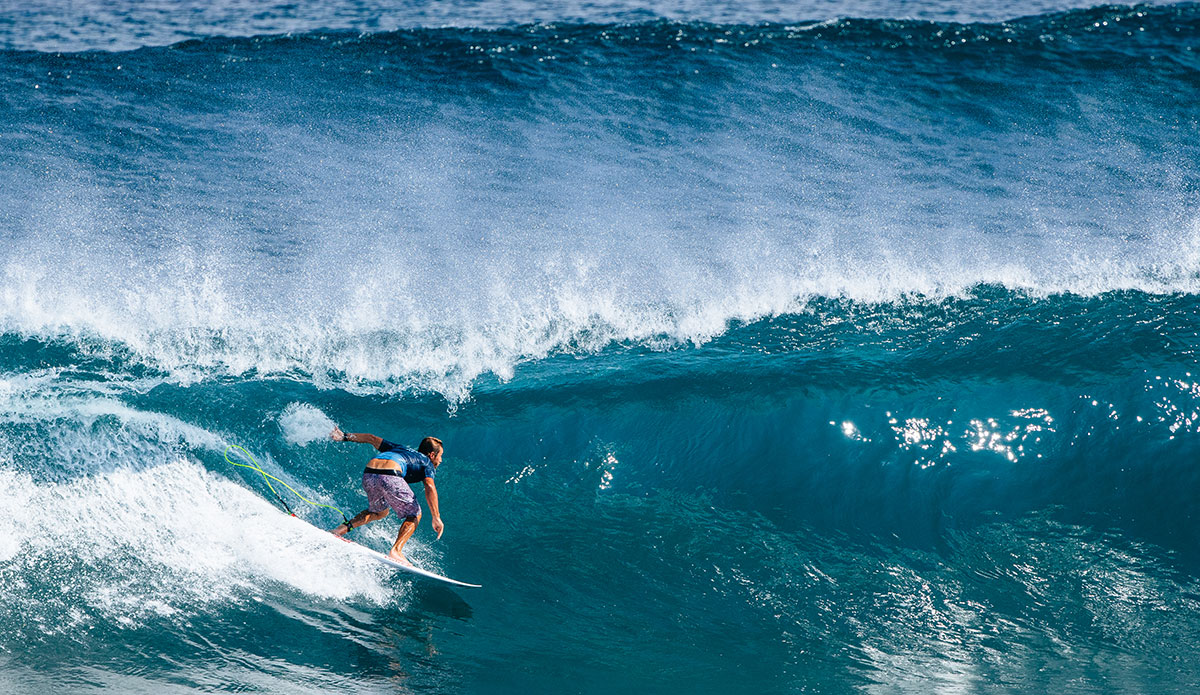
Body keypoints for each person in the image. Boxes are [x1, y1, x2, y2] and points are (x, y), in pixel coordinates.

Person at [328, 425, 444, 566]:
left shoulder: (401, 448)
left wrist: (344, 436)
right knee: (415, 513)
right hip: (390, 474)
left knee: (378, 512)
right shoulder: (427, 463)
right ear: (432, 455)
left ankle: (339, 530)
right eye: (440, 456)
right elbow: (430, 486)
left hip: (369, 473)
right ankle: (396, 551)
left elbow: (371, 438)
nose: (441, 460)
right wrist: (436, 517)